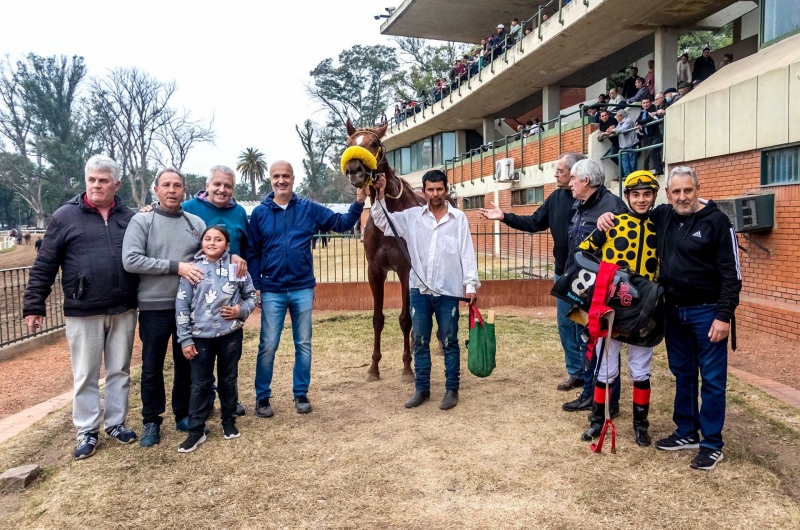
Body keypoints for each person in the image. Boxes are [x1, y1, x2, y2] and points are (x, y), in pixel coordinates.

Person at [597, 166, 741, 470]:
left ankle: (712, 444)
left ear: (698, 189)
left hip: (707, 311)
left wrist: (724, 315)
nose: (682, 197)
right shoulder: (663, 216)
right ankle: (686, 431)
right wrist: (603, 218)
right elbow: (634, 210)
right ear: (668, 194)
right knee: (683, 373)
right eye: (676, 191)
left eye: (688, 190)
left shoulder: (717, 222)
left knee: (713, 380)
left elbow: (732, 274)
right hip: (673, 310)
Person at [23, 155, 139, 460]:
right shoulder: (65, 216)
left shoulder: (130, 218)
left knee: (119, 371)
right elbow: (45, 263)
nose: (97, 185)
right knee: (86, 374)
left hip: (124, 307)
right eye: (92, 179)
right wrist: (34, 305)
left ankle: (116, 422)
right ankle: (87, 429)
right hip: (83, 308)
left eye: (103, 180)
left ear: (117, 183)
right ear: (85, 181)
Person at [248, 161, 366, 418]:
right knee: (268, 344)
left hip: (301, 287)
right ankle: (262, 397)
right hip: (272, 289)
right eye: (277, 176)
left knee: (303, 343)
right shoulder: (259, 213)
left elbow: (341, 223)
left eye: (286, 176)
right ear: (271, 180)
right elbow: (253, 252)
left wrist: (358, 202)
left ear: (293, 178)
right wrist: (256, 286)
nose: (281, 181)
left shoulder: (308, 208)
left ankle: (300, 393)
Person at [478, 153, 588, 392]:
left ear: (575, 172)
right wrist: (504, 216)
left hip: (588, 277)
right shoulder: (557, 197)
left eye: (560, 170)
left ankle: (592, 375)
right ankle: (576, 373)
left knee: (587, 327)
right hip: (563, 275)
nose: (556, 174)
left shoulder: (592, 200)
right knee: (566, 325)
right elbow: (535, 222)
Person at [372, 170, 479, 410]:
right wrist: (379, 195)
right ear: (423, 191)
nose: (435, 194)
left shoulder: (458, 218)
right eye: (430, 190)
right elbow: (382, 221)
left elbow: (466, 253)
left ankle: (452, 389)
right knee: (419, 341)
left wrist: (470, 285)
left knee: (450, 341)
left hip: (448, 291)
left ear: (446, 189)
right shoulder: (412, 217)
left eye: (439, 189)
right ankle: (422, 389)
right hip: (419, 291)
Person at [122, 168, 206, 448]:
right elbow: (131, 260)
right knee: (151, 366)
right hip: (153, 307)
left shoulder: (195, 222)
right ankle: (151, 421)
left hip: (189, 308)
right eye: (166, 185)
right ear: (155, 190)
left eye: (178, 185)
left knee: (186, 363)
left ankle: (182, 413)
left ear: (185, 190)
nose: (172, 190)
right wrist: (177, 267)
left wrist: (236, 259)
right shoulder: (142, 221)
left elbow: (210, 255)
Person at [578, 171, 661, 447]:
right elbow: (584, 251)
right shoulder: (613, 222)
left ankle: (641, 425)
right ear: (627, 196)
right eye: (635, 194)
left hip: (644, 311)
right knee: (605, 367)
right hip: (611, 308)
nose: (641, 199)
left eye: (647, 194)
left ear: (654, 196)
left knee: (641, 369)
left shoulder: (660, 226)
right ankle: (597, 421)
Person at [175, 226, 258, 453]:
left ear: (227, 245)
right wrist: (185, 339)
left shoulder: (235, 267)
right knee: (200, 384)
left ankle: (228, 421)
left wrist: (240, 310)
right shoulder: (193, 270)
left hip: (229, 334)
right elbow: (181, 306)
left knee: (228, 378)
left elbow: (251, 295)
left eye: (218, 239)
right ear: (202, 243)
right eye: (208, 239)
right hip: (200, 337)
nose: (212, 243)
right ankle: (196, 430)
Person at [181, 165, 250, 417]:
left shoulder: (240, 212)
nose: (222, 189)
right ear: (207, 185)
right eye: (217, 184)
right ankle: (205, 400)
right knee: (202, 353)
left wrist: (240, 259)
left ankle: (229, 401)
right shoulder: (189, 209)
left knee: (228, 352)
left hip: (229, 289)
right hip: (198, 291)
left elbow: (248, 247)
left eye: (228, 186)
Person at [561, 159, 628, 414]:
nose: (570, 184)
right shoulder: (580, 204)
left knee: (603, 344)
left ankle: (607, 400)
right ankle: (591, 393)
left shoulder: (612, 206)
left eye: (574, 179)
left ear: (586, 181)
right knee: (587, 340)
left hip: (601, 288)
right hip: (582, 284)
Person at [636, 96, 664, 176]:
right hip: (648, 137)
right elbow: (637, 120)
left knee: (653, 151)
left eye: (647, 102)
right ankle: (659, 169)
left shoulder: (652, 109)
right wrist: (638, 123)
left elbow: (649, 119)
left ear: (651, 103)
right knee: (654, 152)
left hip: (656, 135)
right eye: (644, 103)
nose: (646, 104)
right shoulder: (642, 112)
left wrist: (640, 122)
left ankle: (659, 169)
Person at [614, 108, 639, 178]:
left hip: (631, 143)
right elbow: (617, 130)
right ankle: (627, 174)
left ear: (621, 116)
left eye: (617, 116)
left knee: (632, 160)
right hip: (623, 145)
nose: (616, 117)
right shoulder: (619, 123)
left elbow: (623, 130)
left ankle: (633, 174)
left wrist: (614, 130)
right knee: (624, 160)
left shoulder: (628, 120)